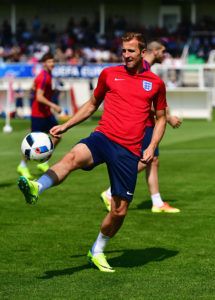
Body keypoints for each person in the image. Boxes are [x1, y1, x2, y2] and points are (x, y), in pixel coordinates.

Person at [18, 32, 167, 273]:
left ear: (142, 53)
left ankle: (97, 250)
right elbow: (91, 105)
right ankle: (37, 187)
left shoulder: (156, 83)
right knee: (72, 157)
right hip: (103, 137)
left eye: (131, 51)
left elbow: (160, 119)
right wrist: (67, 125)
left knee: (119, 212)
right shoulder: (109, 74)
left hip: (129, 151)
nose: (126, 54)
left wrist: (150, 147)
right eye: (123, 50)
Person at [101, 38, 182, 213]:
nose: (164, 54)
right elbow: (144, 101)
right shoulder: (140, 68)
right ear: (154, 51)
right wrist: (168, 118)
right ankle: (110, 192)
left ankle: (157, 202)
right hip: (142, 124)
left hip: (148, 123)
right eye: (162, 51)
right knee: (146, 159)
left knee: (153, 160)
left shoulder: (146, 69)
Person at [17, 53, 62, 179]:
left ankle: (44, 162)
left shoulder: (47, 75)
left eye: (53, 61)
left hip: (46, 113)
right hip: (39, 114)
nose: (52, 64)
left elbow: (34, 87)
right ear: (44, 63)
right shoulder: (43, 77)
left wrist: (50, 92)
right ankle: (22, 165)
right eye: (49, 62)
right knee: (32, 144)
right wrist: (54, 105)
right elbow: (39, 97)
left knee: (58, 136)